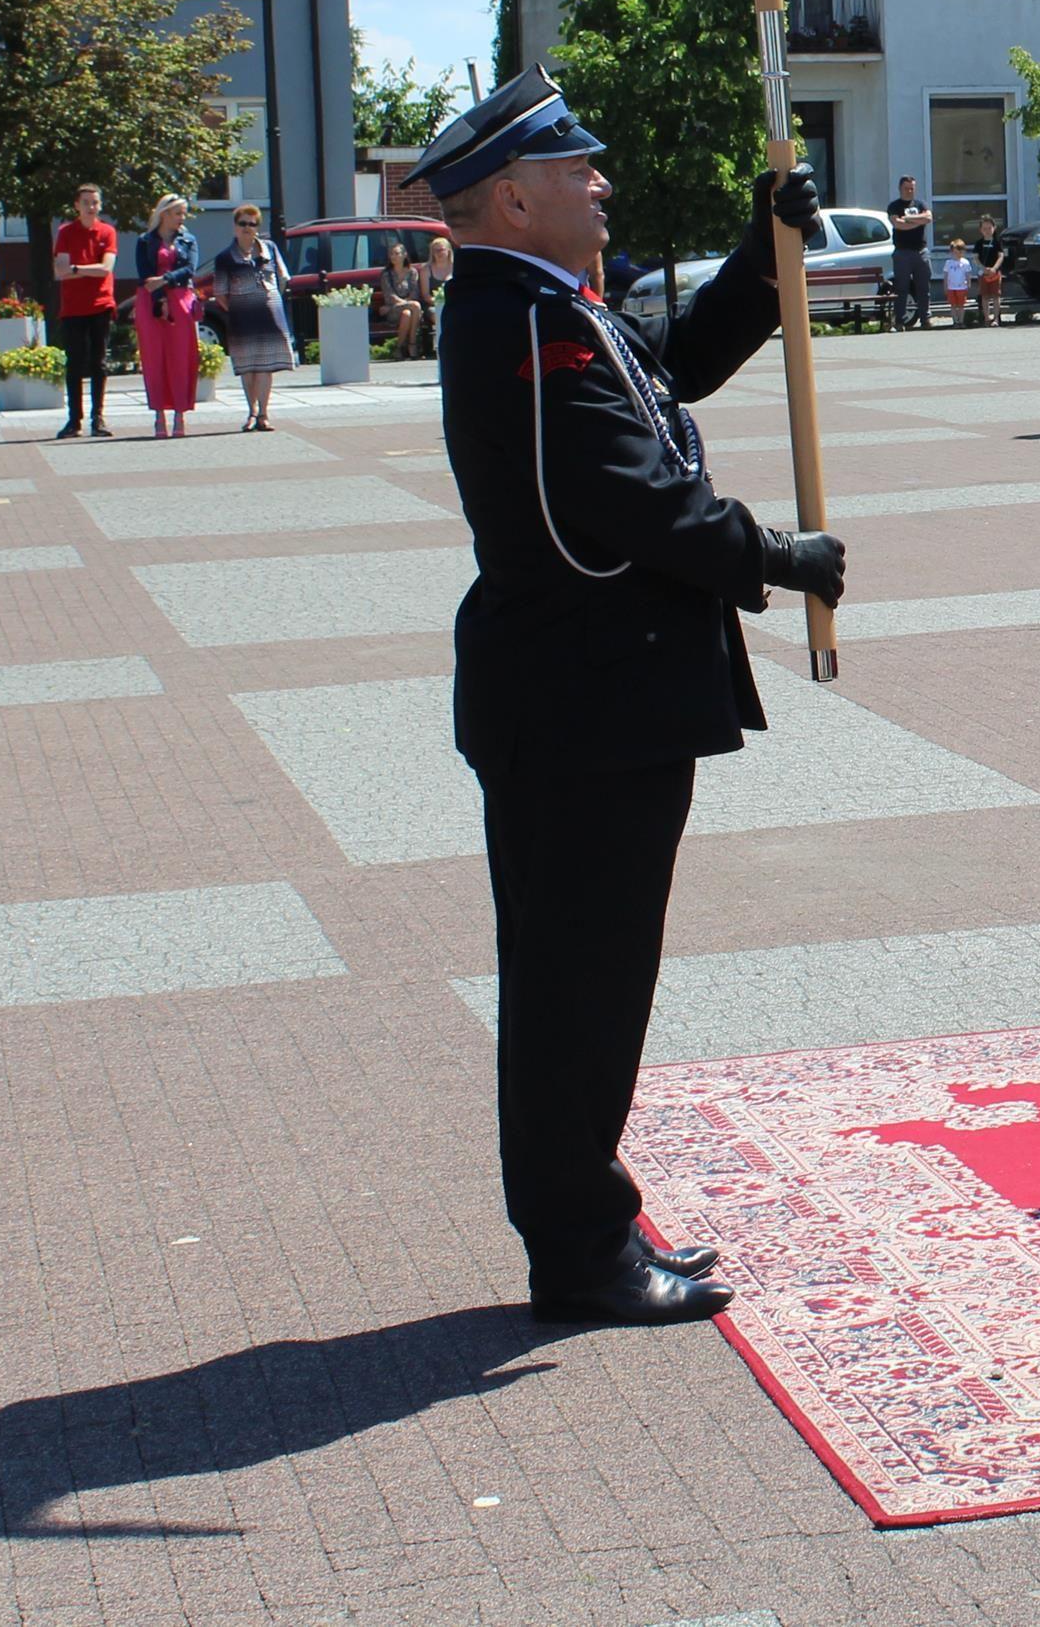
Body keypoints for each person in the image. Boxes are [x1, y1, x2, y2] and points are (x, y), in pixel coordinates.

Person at [413, 66, 846, 1327]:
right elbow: (617, 504)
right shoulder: (519, 320)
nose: (598, 184)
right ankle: (580, 1251)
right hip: (582, 703)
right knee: (577, 986)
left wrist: (764, 257)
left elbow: (675, 373)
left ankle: (585, 1222)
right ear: (508, 197)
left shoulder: (547, 302)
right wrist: (773, 556)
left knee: (586, 977)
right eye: (573, 169)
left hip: (588, 700)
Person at [208, 205, 298, 431]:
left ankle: (264, 414)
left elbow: (283, 278)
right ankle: (252, 412)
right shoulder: (225, 258)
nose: (247, 228)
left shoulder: (269, 249)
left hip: (270, 317)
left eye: (252, 224)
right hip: (242, 318)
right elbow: (220, 292)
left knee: (265, 367)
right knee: (247, 367)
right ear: (235, 226)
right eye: (243, 224)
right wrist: (239, 307)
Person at [50, 184, 119, 440]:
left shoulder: (107, 232)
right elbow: (60, 271)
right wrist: (86, 269)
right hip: (73, 307)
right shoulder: (66, 232)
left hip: (100, 304)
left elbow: (106, 268)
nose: (91, 207)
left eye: (95, 202)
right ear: (76, 205)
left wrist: (76, 268)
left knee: (99, 363)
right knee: (75, 364)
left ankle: (97, 418)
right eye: (86, 202)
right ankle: (74, 420)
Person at [133, 198, 204, 438]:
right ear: (163, 214)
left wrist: (165, 280)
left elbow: (190, 270)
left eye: (183, 214)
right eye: (177, 213)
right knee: (154, 358)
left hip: (181, 301)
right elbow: (145, 274)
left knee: (181, 357)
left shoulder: (188, 240)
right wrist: (160, 298)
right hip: (150, 301)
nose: (181, 218)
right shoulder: (144, 241)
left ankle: (179, 414)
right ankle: (159, 416)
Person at [885, 176, 933, 330]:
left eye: (912, 188)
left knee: (923, 287)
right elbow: (898, 225)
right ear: (900, 188)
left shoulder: (920, 204)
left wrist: (909, 219)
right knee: (902, 287)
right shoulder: (894, 206)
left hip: (921, 251)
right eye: (907, 188)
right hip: (902, 252)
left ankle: (926, 319)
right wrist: (917, 222)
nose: (910, 191)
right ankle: (900, 321)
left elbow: (928, 218)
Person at [376, 236, 433, 361]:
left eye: (396, 253)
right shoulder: (386, 274)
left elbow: (414, 292)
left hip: (409, 310)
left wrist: (408, 303)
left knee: (407, 313)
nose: (393, 256)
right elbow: (390, 295)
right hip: (393, 309)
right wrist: (406, 303)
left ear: (404, 255)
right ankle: (412, 345)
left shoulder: (412, 272)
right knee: (415, 306)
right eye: (391, 254)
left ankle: (399, 348)